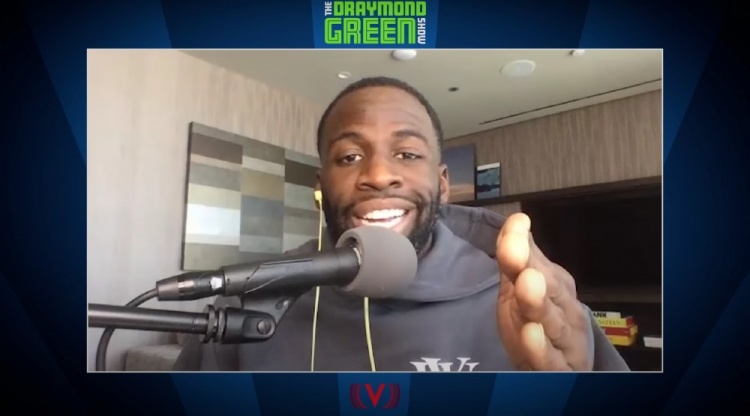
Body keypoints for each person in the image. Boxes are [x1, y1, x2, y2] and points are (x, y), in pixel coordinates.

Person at [173, 76, 629, 371]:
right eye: (349, 157)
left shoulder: (532, 301)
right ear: (320, 186)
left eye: (407, 154)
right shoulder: (248, 302)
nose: (377, 174)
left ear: (443, 183)